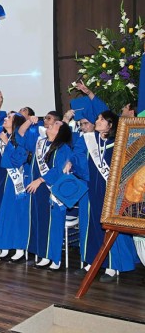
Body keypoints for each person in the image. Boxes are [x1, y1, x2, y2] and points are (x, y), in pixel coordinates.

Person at [67, 110, 138, 281]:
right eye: (97, 118)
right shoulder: (91, 141)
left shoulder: (118, 143)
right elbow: (82, 163)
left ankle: (113, 266)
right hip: (93, 190)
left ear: (110, 125)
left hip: (111, 193)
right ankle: (93, 261)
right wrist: (71, 162)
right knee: (93, 227)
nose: (97, 121)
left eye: (100, 119)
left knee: (109, 229)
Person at [0, 98, 30, 261]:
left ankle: (19, 247)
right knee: (1, 213)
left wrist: (7, 142)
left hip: (13, 181)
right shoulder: (0, 133)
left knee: (14, 213)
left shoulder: (20, 138)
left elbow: (17, 160)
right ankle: (3, 244)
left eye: (9, 117)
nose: (5, 118)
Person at [21, 118, 73, 270]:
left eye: (57, 124)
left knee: (54, 224)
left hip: (53, 191)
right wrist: (32, 123)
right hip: (38, 191)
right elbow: (22, 136)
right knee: (41, 223)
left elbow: (59, 170)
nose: (52, 123)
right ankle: (43, 254)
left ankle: (55, 258)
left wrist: (41, 179)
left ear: (61, 132)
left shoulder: (63, 148)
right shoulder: (41, 143)